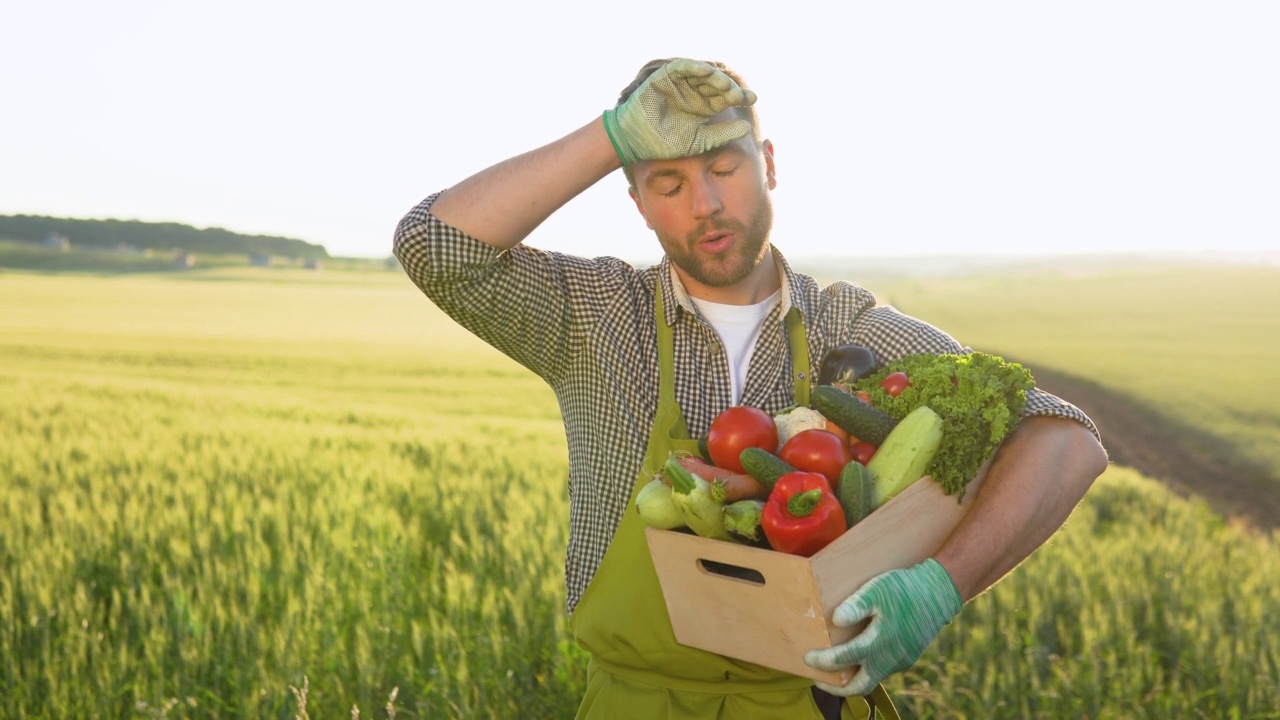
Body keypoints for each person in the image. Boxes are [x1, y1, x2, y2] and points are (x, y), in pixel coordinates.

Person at [393, 58, 1108, 720]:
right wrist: (613, 134)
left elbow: (1064, 443)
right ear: (638, 201)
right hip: (636, 705)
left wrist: (939, 588)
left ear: (768, 164)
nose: (704, 204)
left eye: (724, 167)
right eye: (667, 183)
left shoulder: (847, 327)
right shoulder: (594, 317)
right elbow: (431, 244)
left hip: (808, 702)